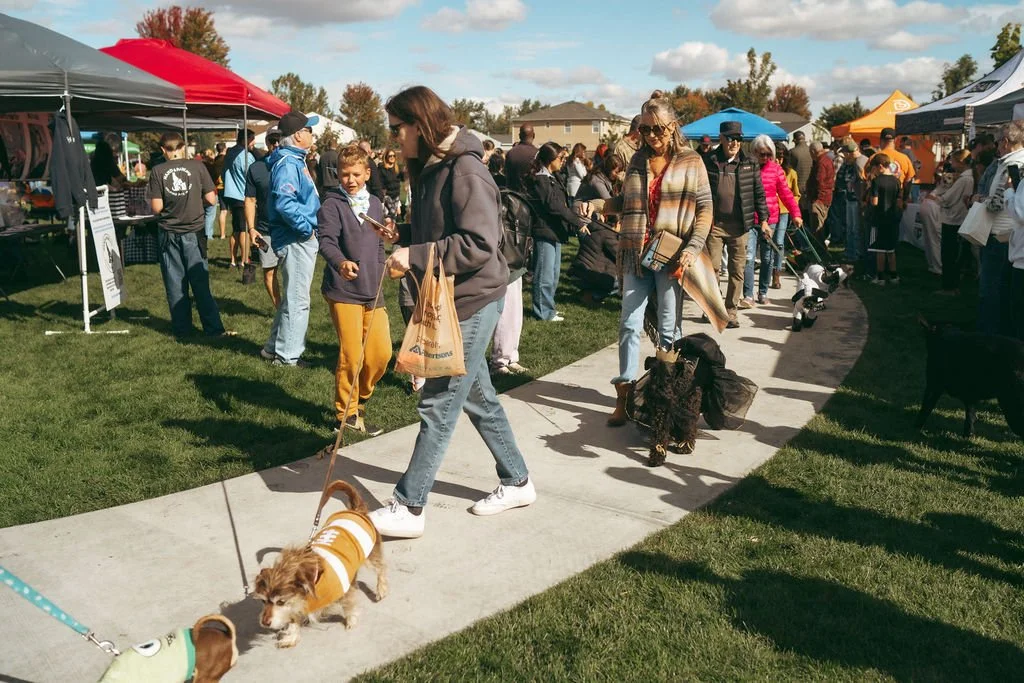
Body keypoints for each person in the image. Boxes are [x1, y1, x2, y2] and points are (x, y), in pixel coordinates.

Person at [368, 85, 533, 539]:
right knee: (478, 397)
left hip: (473, 299)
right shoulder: (433, 166)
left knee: (438, 402)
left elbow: (479, 243)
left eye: (397, 128)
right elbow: (444, 229)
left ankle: (409, 506)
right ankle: (518, 481)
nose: (393, 137)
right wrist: (404, 234)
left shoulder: (465, 168)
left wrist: (416, 255)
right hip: (453, 297)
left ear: (420, 124)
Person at [603, 91, 712, 425]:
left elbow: (705, 210)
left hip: (671, 255)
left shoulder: (691, 161)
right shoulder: (637, 161)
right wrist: (597, 205)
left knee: (668, 327)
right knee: (628, 323)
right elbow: (627, 203)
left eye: (658, 129)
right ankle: (624, 394)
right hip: (635, 252)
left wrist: (692, 248)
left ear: (673, 126)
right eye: (645, 129)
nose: (651, 136)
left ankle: (666, 398)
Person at [318, 144, 392, 435]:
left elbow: (378, 245)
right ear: (338, 174)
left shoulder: (374, 203)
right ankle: (346, 414)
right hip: (343, 290)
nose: (350, 180)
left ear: (367, 173)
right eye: (345, 174)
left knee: (380, 354)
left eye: (356, 174)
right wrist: (340, 263)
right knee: (352, 355)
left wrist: (380, 270)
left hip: (373, 289)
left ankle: (361, 399)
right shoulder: (332, 204)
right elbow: (326, 241)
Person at [146, 132, 230, 338]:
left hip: (169, 232)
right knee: (200, 282)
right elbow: (211, 199)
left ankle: (182, 330)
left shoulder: (158, 171)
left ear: (163, 150)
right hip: (194, 231)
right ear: (182, 147)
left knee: (175, 283)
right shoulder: (198, 166)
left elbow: (157, 207)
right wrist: (194, 202)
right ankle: (213, 329)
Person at [261, 111, 321, 367]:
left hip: (295, 237)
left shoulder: (292, 160)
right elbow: (285, 203)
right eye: (309, 130)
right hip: (295, 238)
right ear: (297, 135)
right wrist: (306, 229)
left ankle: (273, 349)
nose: (312, 134)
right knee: (298, 301)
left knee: (292, 297)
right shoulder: (288, 163)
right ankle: (288, 357)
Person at [704, 120, 769, 326]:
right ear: (721, 139)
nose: (734, 143)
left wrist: (764, 220)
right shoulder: (708, 161)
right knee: (713, 269)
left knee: (737, 270)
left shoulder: (749, 162)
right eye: (730, 138)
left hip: (740, 226)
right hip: (714, 225)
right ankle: (713, 308)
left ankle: (731, 311)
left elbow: (759, 193)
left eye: (738, 139)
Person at [528, 142, 592, 322]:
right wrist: (577, 222)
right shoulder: (541, 179)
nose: (563, 161)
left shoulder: (552, 177)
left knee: (554, 273)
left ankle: (549, 308)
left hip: (554, 232)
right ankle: (543, 311)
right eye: (560, 158)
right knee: (545, 274)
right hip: (545, 232)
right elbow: (554, 206)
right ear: (550, 159)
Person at [746, 135, 801, 304]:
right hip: (750, 219)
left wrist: (796, 213)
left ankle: (763, 292)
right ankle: (748, 295)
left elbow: (786, 193)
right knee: (748, 257)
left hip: (770, 220)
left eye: (768, 154)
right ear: (754, 152)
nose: (765, 158)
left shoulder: (776, 170)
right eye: (762, 154)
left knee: (767, 257)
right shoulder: (747, 167)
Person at [245, 127, 282, 308]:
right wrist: (251, 229)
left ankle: (292, 311)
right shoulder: (256, 168)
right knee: (269, 272)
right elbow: (250, 200)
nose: (276, 144)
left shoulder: (294, 165)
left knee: (293, 274)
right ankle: (280, 309)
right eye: (272, 140)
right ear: (267, 142)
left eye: (279, 140)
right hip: (265, 230)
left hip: (290, 230)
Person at [865, 153, 904, 286]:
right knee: (891, 249)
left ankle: (880, 277)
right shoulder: (896, 181)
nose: (873, 171)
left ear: (880, 166)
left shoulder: (876, 181)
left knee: (879, 250)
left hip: (879, 218)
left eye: (874, 168)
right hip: (892, 218)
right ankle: (894, 275)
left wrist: (869, 199)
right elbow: (899, 201)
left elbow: (874, 202)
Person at [223, 129, 255, 269]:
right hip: (243, 195)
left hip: (231, 194)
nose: (254, 142)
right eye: (252, 139)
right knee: (244, 230)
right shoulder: (246, 156)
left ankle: (232, 260)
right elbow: (251, 175)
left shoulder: (230, 153)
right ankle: (244, 259)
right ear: (245, 140)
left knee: (236, 229)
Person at [835, 139, 866, 262]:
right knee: (850, 228)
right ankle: (850, 252)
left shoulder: (860, 162)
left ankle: (857, 254)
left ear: (849, 153)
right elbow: (841, 178)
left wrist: (862, 199)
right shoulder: (849, 163)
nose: (844, 156)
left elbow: (863, 182)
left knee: (856, 229)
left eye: (845, 153)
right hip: (849, 198)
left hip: (857, 200)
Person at [870, 127, 916, 205]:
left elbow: (866, 180)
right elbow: (908, 181)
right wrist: (904, 200)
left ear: (881, 140)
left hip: (877, 203)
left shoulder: (874, 157)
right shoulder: (904, 158)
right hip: (897, 202)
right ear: (895, 140)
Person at [803, 141, 835, 238]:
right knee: (819, 225)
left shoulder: (821, 163)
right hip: (824, 197)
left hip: (820, 199)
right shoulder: (826, 160)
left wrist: (816, 200)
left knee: (817, 227)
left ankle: (819, 246)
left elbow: (819, 182)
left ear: (813, 151)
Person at [505, 124, 538, 192]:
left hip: (513, 194)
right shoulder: (538, 154)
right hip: (533, 194)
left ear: (519, 136)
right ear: (534, 135)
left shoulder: (510, 153)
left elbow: (507, 175)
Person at [377, 149, 405, 215]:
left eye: (394, 156)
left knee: (394, 214)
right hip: (387, 196)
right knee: (390, 214)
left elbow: (402, 179)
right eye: (390, 156)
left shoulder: (397, 168)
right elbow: (380, 183)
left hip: (396, 195)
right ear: (386, 157)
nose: (392, 157)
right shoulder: (382, 169)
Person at [211, 142, 227, 239]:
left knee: (223, 211)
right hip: (228, 187)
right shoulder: (226, 159)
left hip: (219, 187)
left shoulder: (215, 160)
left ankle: (222, 234)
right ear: (225, 148)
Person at [790, 130, 813, 196]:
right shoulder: (812, 150)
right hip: (810, 185)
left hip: (797, 185)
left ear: (795, 140)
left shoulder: (792, 152)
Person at [201, 148, 218, 239]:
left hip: (199, 192)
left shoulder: (198, 166)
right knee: (210, 214)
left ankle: (202, 233)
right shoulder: (212, 167)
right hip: (211, 191)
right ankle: (208, 234)